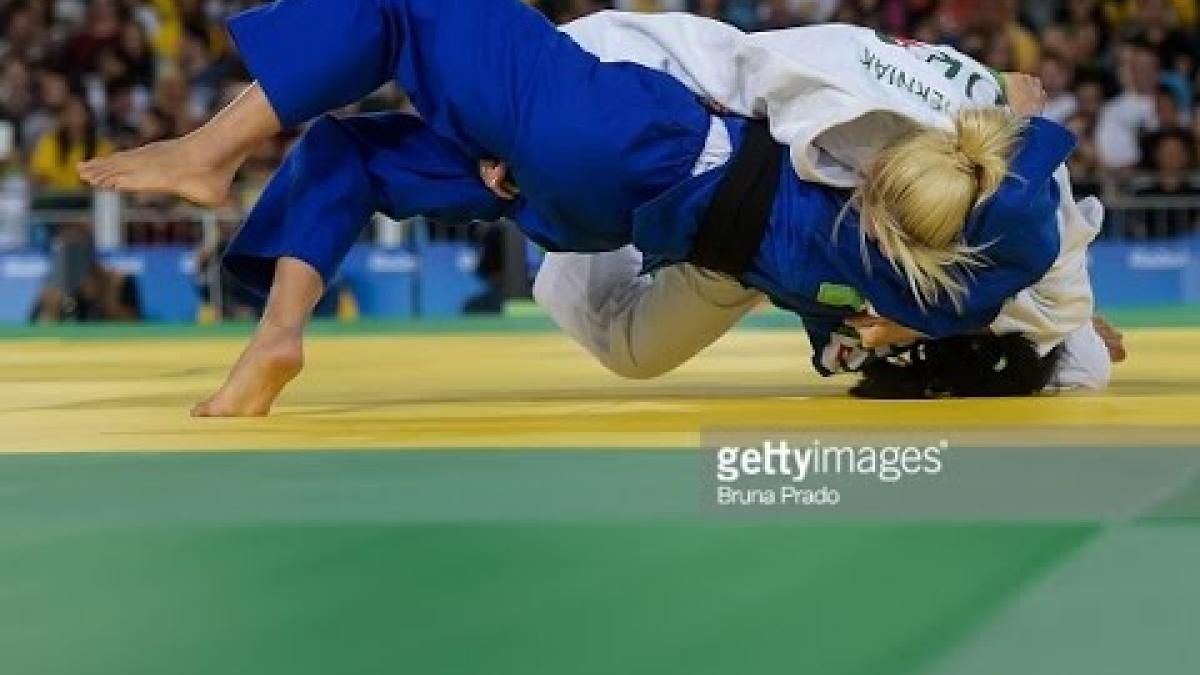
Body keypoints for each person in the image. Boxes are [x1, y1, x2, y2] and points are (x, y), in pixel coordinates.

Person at [79, 0, 1069, 416]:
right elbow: (1001, 249)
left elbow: (1025, 175)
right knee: (358, 151)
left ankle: (210, 153)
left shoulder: (911, 207)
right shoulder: (903, 294)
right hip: (592, 214)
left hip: (636, 140)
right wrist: (1053, 335)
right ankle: (274, 340)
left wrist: (1009, 107)